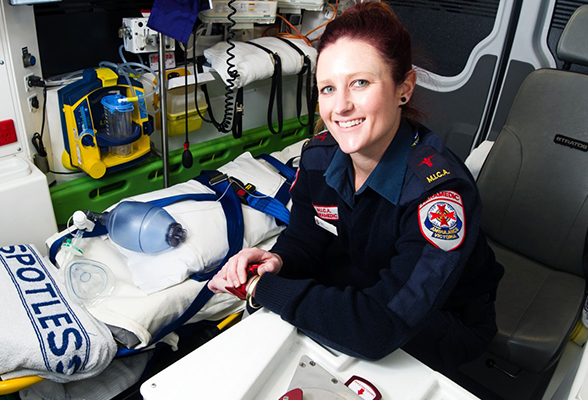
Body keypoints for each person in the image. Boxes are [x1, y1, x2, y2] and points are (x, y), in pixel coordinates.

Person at [207, 1, 504, 376]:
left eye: (360, 83)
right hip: (362, 293)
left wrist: (261, 290)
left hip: (440, 320)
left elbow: (381, 326)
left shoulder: (440, 198)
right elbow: (305, 238)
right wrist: (279, 262)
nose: (341, 107)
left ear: (404, 88)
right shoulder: (317, 158)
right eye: (328, 88)